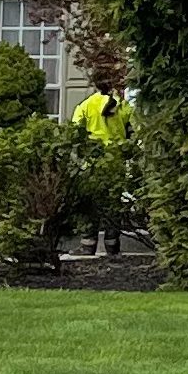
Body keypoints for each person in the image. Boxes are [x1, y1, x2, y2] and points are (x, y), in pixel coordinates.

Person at [71, 83, 134, 254]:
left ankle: (87, 246)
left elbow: (75, 134)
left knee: (90, 206)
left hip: (91, 164)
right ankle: (112, 247)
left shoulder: (85, 106)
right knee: (113, 206)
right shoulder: (122, 106)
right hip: (115, 162)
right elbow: (132, 133)